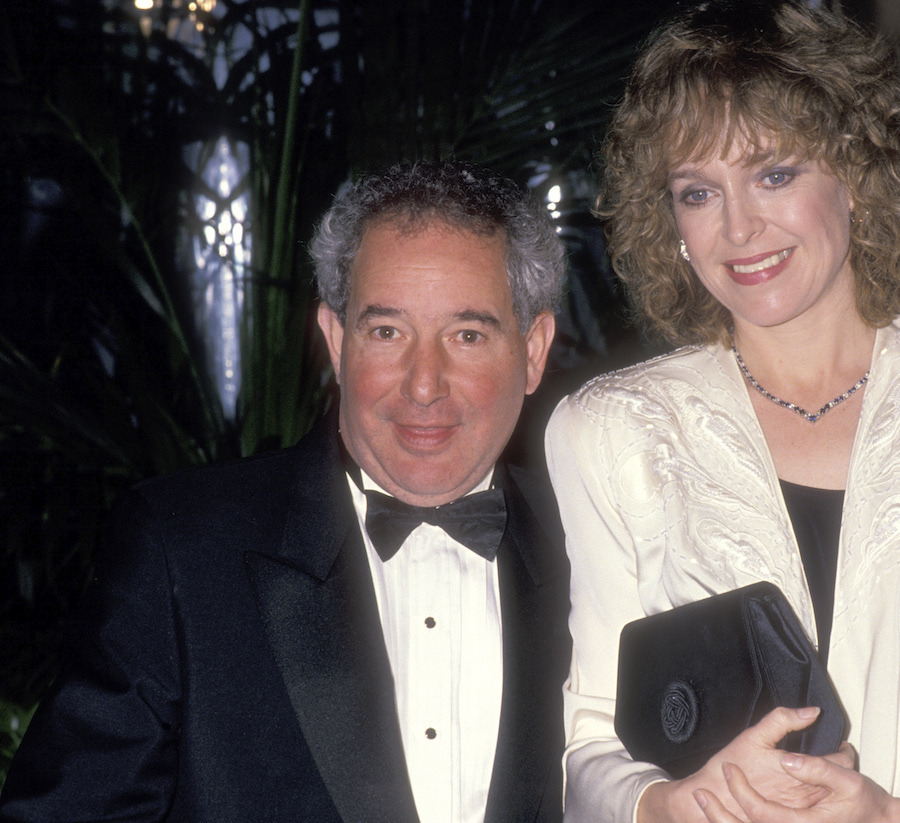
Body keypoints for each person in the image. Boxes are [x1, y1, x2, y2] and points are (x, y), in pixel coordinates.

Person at [543, 3, 900, 823]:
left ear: (855, 172)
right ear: (670, 220)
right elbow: (593, 741)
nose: (739, 227)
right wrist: (667, 805)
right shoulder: (607, 431)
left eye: (774, 174)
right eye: (698, 191)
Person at [1, 160, 571, 823]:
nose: (424, 383)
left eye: (466, 335)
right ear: (335, 340)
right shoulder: (181, 549)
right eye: (387, 331)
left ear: (532, 351)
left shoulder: (595, 545)